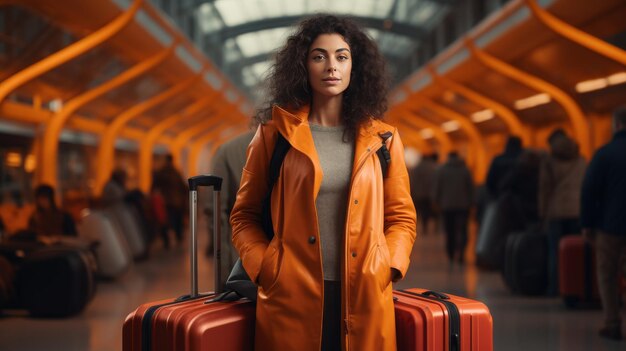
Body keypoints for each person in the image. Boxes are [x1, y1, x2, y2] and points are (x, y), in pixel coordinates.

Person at [230, 15, 417, 351]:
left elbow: (402, 217)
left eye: (342, 57)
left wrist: (387, 267)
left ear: (354, 68)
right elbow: (243, 216)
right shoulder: (275, 135)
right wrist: (267, 268)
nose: (332, 66)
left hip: (364, 292)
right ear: (303, 66)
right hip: (289, 293)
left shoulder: (384, 139)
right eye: (319, 56)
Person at [581, 107, 626, 340]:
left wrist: (587, 223)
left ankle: (612, 323)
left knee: (607, 274)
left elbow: (589, 191)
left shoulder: (604, 154)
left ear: (617, 125)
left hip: (609, 225)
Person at [539, 129, 586, 295]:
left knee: (555, 252)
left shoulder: (549, 161)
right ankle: (575, 287)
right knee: (575, 253)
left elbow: (545, 189)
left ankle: (555, 289)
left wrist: (542, 212)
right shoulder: (581, 159)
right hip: (577, 210)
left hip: (556, 212)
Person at [205, 130, 255, 284]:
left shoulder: (227, 150)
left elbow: (215, 211)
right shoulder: (298, 144)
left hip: (240, 258)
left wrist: (223, 270)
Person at [432, 151, 474, 264]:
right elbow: (470, 188)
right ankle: (461, 252)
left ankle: (450, 253)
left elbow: (437, 187)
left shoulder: (442, 170)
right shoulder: (465, 170)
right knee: (463, 230)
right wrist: (471, 202)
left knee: (450, 230)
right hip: (463, 205)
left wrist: (436, 201)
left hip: (447, 205)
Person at [153, 154, 188, 245]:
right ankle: (178, 237)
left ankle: (166, 240)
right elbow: (183, 186)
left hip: (166, 201)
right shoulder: (176, 172)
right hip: (177, 201)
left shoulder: (162, 172)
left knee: (165, 221)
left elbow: (155, 185)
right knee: (177, 220)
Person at [410, 153, 437, 235]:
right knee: (431, 210)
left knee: (423, 211)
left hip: (420, 193)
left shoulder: (416, 168)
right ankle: (435, 227)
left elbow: (412, 181)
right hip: (430, 193)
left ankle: (425, 227)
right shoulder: (434, 167)